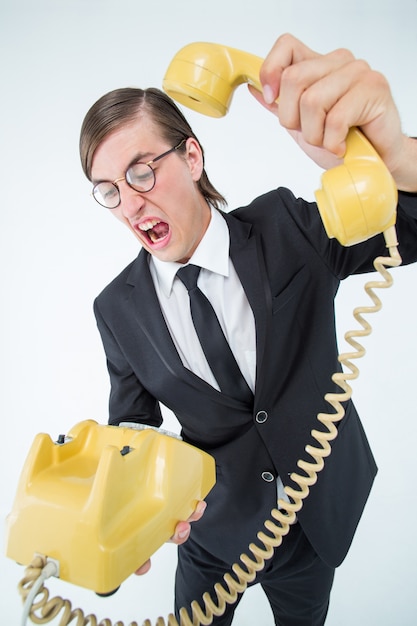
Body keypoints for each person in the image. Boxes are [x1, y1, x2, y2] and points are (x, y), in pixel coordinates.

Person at [79, 34, 417, 625]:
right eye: (109, 190)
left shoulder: (289, 226)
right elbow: (133, 427)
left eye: (141, 171)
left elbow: (410, 229)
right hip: (209, 539)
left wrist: (392, 152)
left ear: (191, 157)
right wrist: (111, 521)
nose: (130, 205)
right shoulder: (115, 309)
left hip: (313, 527)